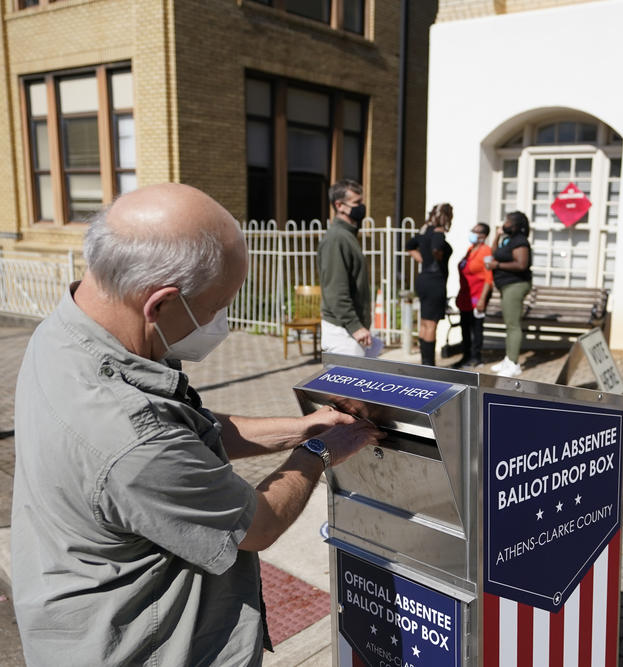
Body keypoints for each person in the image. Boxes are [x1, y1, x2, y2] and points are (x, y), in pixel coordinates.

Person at [11, 183, 383, 666]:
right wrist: (320, 453)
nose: (220, 322)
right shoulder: (128, 434)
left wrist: (303, 427)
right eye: (215, 306)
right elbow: (257, 525)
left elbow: (186, 435)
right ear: (160, 304)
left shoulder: (66, 331)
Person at [318, 178, 372, 356]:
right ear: (339, 205)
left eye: (361, 202)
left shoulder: (347, 236)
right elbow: (336, 290)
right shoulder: (337, 239)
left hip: (349, 332)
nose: (361, 207)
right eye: (356, 203)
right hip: (343, 333)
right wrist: (355, 326)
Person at [483, 211, 532, 378]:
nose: (505, 224)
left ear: (516, 225)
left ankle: (513, 363)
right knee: (509, 323)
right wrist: (497, 236)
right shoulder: (508, 240)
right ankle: (508, 358)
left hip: (515, 285)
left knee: (513, 325)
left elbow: (521, 264)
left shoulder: (520, 241)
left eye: (507, 221)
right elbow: (494, 252)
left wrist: (497, 265)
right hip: (506, 286)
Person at [406, 203, 454, 366]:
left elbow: (409, 246)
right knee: (432, 324)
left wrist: (423, 260)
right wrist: (436, 257)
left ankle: (424, 362)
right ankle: (429, 365)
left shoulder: (424, 230)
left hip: (423, 279)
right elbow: (436, 249)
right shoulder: (438, 233)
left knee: (424, 322)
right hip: (435, 282)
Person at [453, 222, 493, 368]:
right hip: (465, 295)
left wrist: (483, 299)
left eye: (476, 231)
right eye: (472, 230)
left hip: (478, 295)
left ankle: (476, 357)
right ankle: (466, 355)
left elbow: (489, 277)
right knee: (464, 326)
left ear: (483, 235)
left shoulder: (486, 251)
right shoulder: (471, 249)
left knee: (476, 327)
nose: (473, 233)